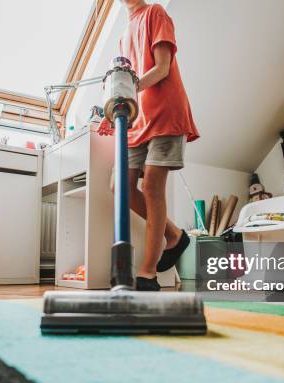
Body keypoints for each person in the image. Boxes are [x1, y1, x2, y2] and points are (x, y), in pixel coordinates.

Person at [98, 0, 200, 291]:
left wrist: (126, 95)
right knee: (120, 186)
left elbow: (162, 68)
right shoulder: (122, 35)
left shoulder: (156, 12)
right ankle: (175, 235)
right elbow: (123, 81)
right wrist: (113, 107)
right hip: (138, 118)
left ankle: (147, 272)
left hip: (167, 112)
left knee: (154, 184)